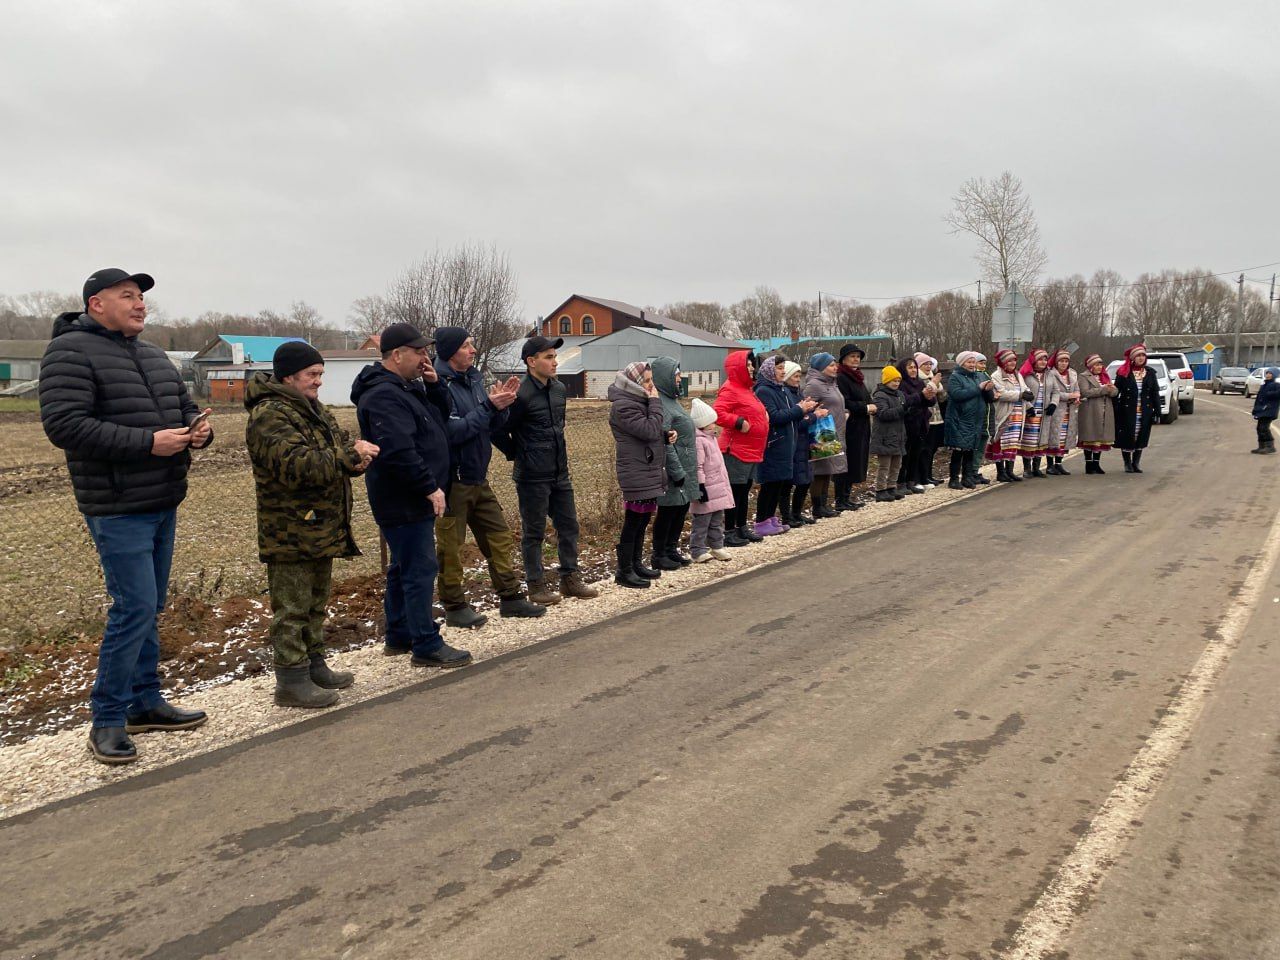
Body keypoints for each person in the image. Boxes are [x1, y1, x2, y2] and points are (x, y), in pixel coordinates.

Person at [39, 268, 213, 764]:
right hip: (117, 506)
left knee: (150, 605)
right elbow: (65, 425)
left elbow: (185, 406)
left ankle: (146, 702)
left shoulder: (153, 354)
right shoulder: (69, 351)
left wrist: (197, 430)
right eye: (129, 296)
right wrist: (148, 443)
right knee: (133, 607)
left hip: (162, 499)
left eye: (141, 298)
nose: (140, 305)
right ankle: (108, 720)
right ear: (97, 304)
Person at [246, 343, 379, 707]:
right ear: (289, 376)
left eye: (321, 374)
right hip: (288, 529)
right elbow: (298, 465)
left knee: (316, 601)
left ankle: (313, 663)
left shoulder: (312, 409)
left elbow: (335, 449)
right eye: (312, 375)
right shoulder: (270, 415)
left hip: (320, 525)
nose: (319, 382)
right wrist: (349, 455)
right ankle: (290, 679)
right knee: (291, 607)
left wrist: (355, 458)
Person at [352, 323, 471, 668]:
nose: (425, 357)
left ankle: (400, 633)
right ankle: (426, 643)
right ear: (396, 355)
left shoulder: (406, 387)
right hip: (402, 496)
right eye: (418, 352)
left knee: (403, 566)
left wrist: (433, 385)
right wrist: (428, 486)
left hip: (409, 493)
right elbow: (398, 450)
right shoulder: (384, 395)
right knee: (420, 568)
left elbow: (439, 418)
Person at [432, 327, 544, 627]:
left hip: (478, 478)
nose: (473, 350)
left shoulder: (475, 380)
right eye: (467, 346)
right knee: (451, 549)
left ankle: (510, 597)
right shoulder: (439, 386)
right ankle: (454, 606)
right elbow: (453, 432)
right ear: (451, 351)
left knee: (499, 537)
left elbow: (490, 425)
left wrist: (503, 405)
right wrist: (488, 407)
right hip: (452, 481)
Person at [495, 336, 598, 605]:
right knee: (534, 532)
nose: (555, 362)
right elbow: (496, 429)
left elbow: (558, 429)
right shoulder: (520, 394)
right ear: (531, 362)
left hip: (559, 472)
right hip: (531, 476)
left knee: (569, 526)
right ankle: (536, 585)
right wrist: (516, 453)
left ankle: (569, 578)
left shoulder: (559, 389)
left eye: (555, 356)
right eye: (549, 357)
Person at [609, 362, 669, 587]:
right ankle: (624, 570)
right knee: (633, 521)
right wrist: (655, 403)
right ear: (634, 382)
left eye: (651, 380)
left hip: (646, 468)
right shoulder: (624, 405)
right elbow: (647, 430)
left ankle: (636, 563)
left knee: (643, 519)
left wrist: (664, 436)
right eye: (646, 381)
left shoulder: (637, 402)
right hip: (636, 471)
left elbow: (648, 433)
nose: (651, 385)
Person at [754, 355, 820, 534]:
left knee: (778, 483)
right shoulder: (764, 391)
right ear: (769, 370)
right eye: (779, 368)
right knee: (769, 484)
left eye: (783, 368)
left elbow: (792, 413)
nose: (782, 371)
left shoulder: (780, 389)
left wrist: (802, 407)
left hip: (787, 444)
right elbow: (774, 416)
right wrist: (800, 409)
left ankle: (770, 518)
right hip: (774, 444)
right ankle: (761, 521)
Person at [713, 350, 769, 546]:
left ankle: (741, 527)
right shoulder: (730, 389)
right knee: (735, 492)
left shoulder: (747, 389)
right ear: (738, 368)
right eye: (748, 365)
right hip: (735, 450)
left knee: (744, 490)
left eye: (752, 365)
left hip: (751, 450)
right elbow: (717, 413)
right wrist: (738, 422)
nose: (752, 368)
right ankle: (728, 531)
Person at [650, 356, 698, 567]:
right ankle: (659, 554)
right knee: (668, 510)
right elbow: (664, 441)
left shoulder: (672, 400)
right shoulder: (661, 404)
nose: (679, 378)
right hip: (673, 468)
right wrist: (676, 472)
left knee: (680, 509)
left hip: (685, 465)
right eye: (676, 374)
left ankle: (671, 549)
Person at [689, 398, 735, 561]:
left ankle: (717, 546)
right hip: (706, 489)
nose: (714, 424)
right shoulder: (699, 441)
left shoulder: (712, 438)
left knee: (716, 520)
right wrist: (700, 486)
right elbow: (698, 466)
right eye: (711, 422)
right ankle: (697, 549)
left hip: (717, 488)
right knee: (702, 522)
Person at [804, 353, 849, 518]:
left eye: (835, 364)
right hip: (821, 431)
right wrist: (817, 413)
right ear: (821, 367)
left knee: (828, 468)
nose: (835, 367)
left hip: (835, 430)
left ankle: (824, 503)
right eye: (831, 365)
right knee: (820, 470)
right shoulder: (814, 385)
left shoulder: (832, 383)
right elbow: (807, 406)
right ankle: (817, 506)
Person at [943, 351, 995, 489]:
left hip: (975, 420)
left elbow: (989, 398)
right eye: (969, 362)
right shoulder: (955, 377)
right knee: (959, 450)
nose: (972, 365)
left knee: (970, 450)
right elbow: (957, 394)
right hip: (959, 419)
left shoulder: (978, 376)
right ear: (962, 363)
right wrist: (979, 388)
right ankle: (954, 479)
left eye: (973, 362)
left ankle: (967, 477)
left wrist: (988, 389)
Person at [1112, 344, 1160, 473]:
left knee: (1141, 435)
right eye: (1138, 355)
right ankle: (1127, 463)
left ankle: (1136, 462)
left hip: (1145, 410)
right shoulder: (1124, 372)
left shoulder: (1150, 373)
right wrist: (1116, 408)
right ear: (1133, 357)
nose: (1141, 358)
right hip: (1127, 410)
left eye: (1143, 355)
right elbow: (1116, 392)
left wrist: (1157, 412)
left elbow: (1155, 392)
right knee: (1128, 436)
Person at [835, 344, 873, 508]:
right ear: (843, 359)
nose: (856, 359)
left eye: (858, 356)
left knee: (856, 461)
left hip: (861, 425)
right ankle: (840, 499)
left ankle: (847, 496)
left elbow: (866, 397)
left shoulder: (857, 377)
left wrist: (871, 405)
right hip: (849, 425)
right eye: (852, 356)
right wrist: (864, 408)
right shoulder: (841, 376)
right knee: (846, 461)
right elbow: (845, 402)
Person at [780, 361, 816, 526]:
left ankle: (797, 513)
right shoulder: (786, 395)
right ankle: (787, 517)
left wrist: (811, 408)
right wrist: (814, 416)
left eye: (799, 375)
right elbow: (796, 422)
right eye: (795, 375)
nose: (798, 379)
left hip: (803, 442)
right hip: (793, 443)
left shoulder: (799, 393)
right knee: (788, 483)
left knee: (805, 480)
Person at [893, 356, 934, 496]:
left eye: (915, 367)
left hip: (921, 423)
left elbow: (930, 401)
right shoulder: (901, 384)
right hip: (907, 424)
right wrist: (921, 395)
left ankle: (911, 481)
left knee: (915, 454)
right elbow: (906, 400)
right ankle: (900, 482)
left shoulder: (920, 382)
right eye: (910, 367)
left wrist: (929, 395)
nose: (913, 370)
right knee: (905, 454)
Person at [987, 349, 1029, 482]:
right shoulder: (996, 376)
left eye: (1014, 360)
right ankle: (1001, 472)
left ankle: (1010, 471)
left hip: (1017, 414)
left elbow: (1024, 388)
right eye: (1009, 360)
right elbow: (1001, 393)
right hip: (1004, 413)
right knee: (1001, 442)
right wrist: (1020, 395)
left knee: (1013, 442)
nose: (1012, 363)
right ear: (1002, 362)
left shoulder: (1017, 375)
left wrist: (1028, 396)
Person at [870, 365, 908, 501]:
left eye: (898, 381)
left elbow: (903, 411)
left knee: (896, 464)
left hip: (898, 435)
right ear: (886, 381)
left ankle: (892, 487)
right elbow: (883, 414)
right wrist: (902, 409)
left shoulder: (900, 394)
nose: (896, 383)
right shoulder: (880, 395)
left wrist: (908, 409)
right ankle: (880, 489)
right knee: (884, 465)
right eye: (894, 381)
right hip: (884, 436)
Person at [1077, 353, 1119, 473]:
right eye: (1096, 364)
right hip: (1090, 410)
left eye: (1100, 364)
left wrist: (1112, 390)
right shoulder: (1083, 377)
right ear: (1091, 366)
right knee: (1090, 437)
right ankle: (1088, 464)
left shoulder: (1104, 377)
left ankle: (1097, 463)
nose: (1099, 367)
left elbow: (1114, 391)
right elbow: (1085, 392)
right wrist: (1104, 389)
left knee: (1100, 438)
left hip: (1105, 410)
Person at [1044, 349, 1081, 475]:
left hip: (1069, 410)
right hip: (1056, 409)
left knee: (1064, 437)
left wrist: (1076, 398)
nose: (1064, 364)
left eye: (1066, 361)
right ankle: (1049, 465)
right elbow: (1052, 392)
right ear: (1056, 361)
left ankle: (1059, 463)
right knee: (1053, 436)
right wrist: (1070, 395)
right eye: (1061, 361)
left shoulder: (1073, 373)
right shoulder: (1050, 373)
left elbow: (1077, 390)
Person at [1017, 348, 1052, 478]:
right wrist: (1029, 406)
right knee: (1029, 440)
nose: (1043, 362)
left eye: (1045, 359)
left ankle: (1037, 468)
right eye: (1040, 359)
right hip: (1031, 412)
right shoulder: (1025, 374)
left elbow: (1056, 391)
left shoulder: (1049, 374)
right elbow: (1022, 391)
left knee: (1041, 440)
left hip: (1045, 413)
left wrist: (1053, 403)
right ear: (1034, 360)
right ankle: (1027, 468)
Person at [916, 353, 945, 486]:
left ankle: (929, 475)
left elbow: (943, 398)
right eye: (925, 364)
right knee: (924, 449)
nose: (928, 367)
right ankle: (922, 477)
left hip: (937, 418)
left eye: (929, 364)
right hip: (925, 419)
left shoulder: (933, 378)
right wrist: (934, 385)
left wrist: (939, 388)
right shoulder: (919, 379)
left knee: (932, 449)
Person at [1252, 369, 1280, 453]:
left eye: (1270, 373)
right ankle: (1261, 446)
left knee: (1264, 428)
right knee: (1259, 428)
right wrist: (1255, 409)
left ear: (1274, 375)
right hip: (1262, 409)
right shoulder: (1263, 385)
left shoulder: (1276, 385)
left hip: (1270, 410)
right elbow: (1258, 399)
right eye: (1267, 373)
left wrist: (1270, 394)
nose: (1268, 375)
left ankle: (1270, 446)